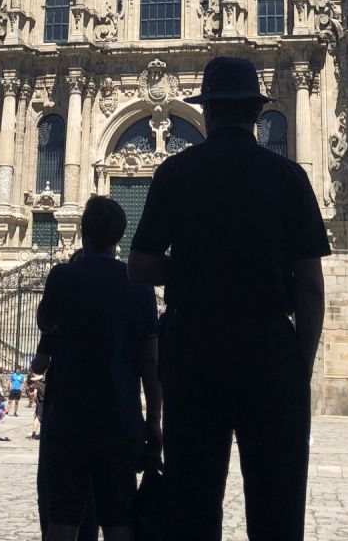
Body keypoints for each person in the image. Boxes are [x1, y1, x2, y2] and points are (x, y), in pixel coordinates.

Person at [129, 55, 329, 541]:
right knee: (277, 505)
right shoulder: (289, 177)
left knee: (193, 504)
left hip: (194, 350)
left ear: (210, 113)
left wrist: (192, 271)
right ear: (256, 114)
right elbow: (310, 284)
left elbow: (140, 265)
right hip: (269, 349)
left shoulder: (175, 174)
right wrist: (298, 362)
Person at [34, 195, 161, 541]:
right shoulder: (140, 286)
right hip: (120, 416)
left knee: (62, 517)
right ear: (120, 236)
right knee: (119, 520)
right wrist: (154, 424)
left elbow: (45, 322)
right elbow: (150, 364)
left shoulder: (63, 277)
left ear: (83, 233)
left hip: (68, 417)